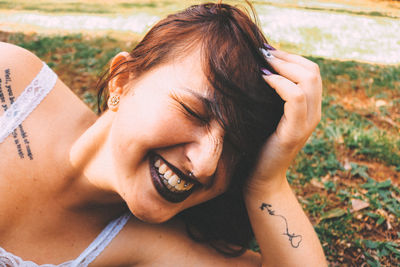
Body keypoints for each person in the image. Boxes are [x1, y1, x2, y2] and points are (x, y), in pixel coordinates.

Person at [0, 1, 326, 266]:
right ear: (122, 80)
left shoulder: (156, 244)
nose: (205, 165)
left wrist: (267, 184)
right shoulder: (11, 84)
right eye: (193, 112)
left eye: (235, 149)